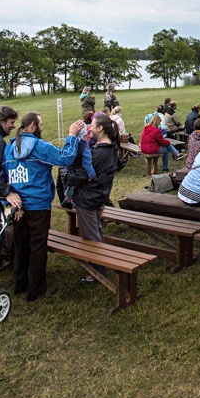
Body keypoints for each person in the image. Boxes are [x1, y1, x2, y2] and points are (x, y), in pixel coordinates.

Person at [5, 113, 82, 302]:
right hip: (38, 203)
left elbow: (4, 173)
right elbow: (66, 158)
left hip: (18, 204)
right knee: (38, 246)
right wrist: (72, 136)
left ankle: (20, 283)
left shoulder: (9, 148)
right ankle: (36, 289)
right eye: (40, 124)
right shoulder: (40, 146)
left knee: (21, 244)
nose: (42, 127)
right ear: (32, 126)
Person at [70, 114, 119, 281]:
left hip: (88, 200)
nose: (89, 128)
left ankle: (97, 272)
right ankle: (99, 265)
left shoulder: (98, 154)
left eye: (92, 125)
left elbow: (78, 175)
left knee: (91, 238)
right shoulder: (109, 148)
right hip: (98, 197)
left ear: (100, 128)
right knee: (96, 231)